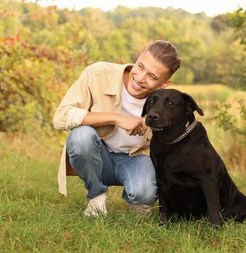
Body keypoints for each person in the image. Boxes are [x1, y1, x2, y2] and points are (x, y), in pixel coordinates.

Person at [53, 40, 181, 217]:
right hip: (98, 155)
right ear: (137, 59)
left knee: (145, 192)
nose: (140, 78)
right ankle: (96, 197)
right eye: (140, 66)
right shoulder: (98, 73)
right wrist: (117, 118)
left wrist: (152, 125)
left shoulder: (167, 103)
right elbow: (61, 117)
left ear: (164, 84)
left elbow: (175, 147)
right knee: (81, 136)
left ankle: (137, 198)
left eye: (152, 77)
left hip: (135, 158)